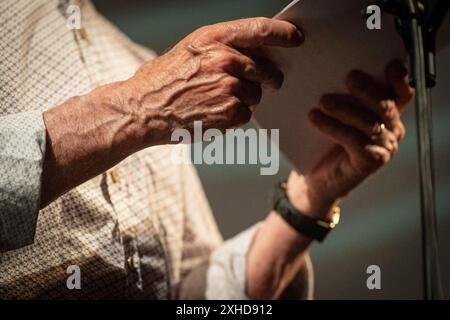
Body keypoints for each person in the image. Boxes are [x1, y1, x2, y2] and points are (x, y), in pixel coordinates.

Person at [0, 0, 413, 299]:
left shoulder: (134, 59)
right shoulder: (149, 81)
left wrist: (310, 199)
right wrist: (137, 106)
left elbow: (188, 300)